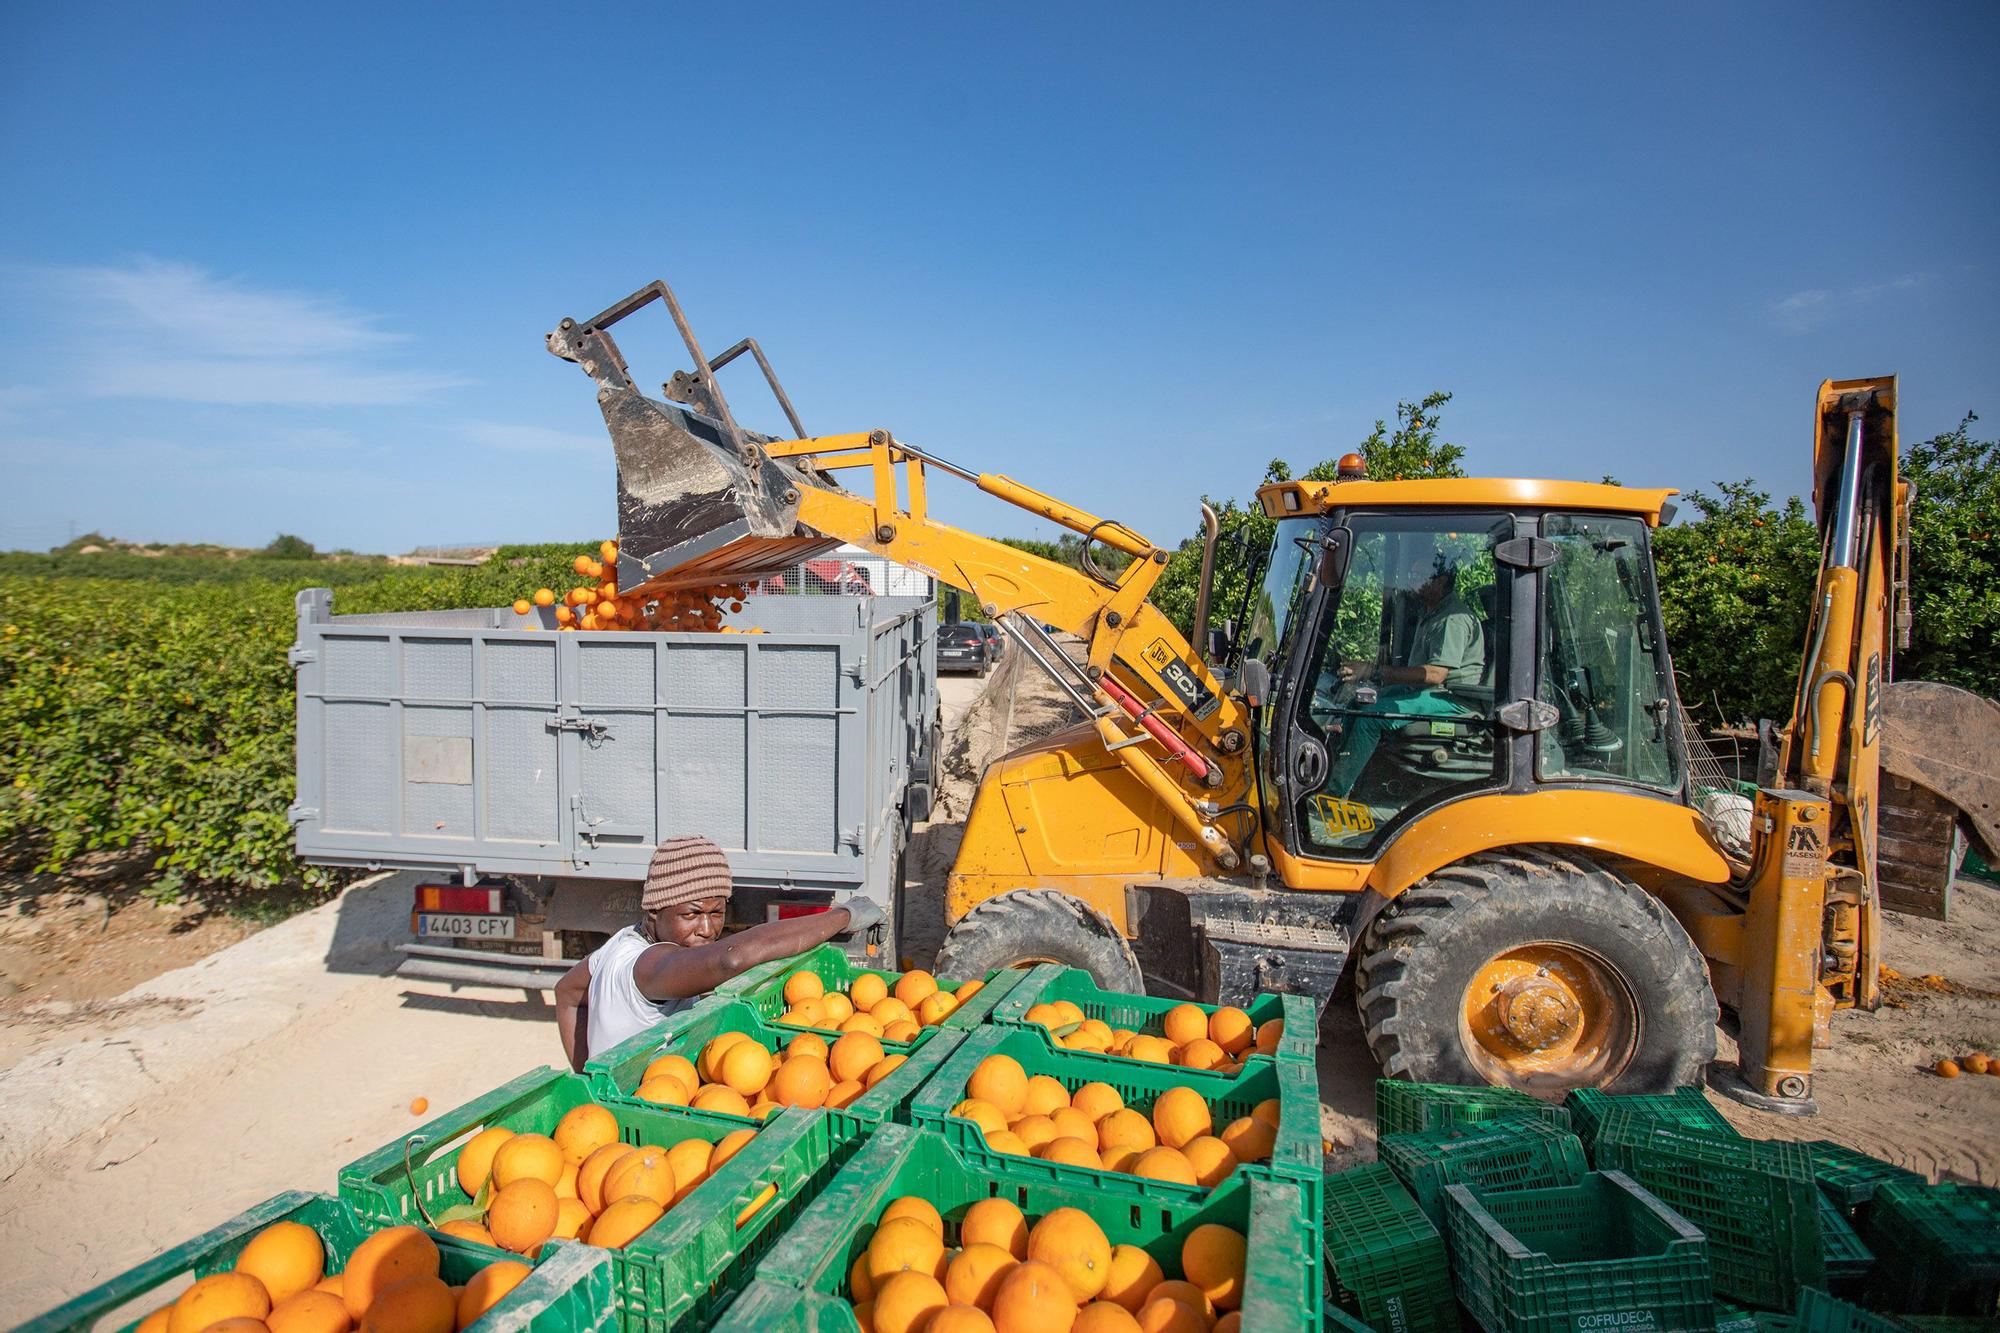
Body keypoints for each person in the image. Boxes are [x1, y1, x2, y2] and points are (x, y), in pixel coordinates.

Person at [553, 834, 884, 1072]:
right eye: (691, 914)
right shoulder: (647, 964)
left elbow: (566, 991)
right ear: (654, 910)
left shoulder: (623, 943)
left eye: (717, 913)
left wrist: (588, 1077)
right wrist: (843, 916)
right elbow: (731, 958)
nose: (707, 929)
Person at [1323, 554, 1486, 797]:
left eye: (1421, 576)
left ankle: (1334, 794)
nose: (1413, 580)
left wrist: (1374, 670)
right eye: (1412, 574)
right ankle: (1345, 779)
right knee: (1358, 702)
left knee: (1370, 718)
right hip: (1430, 694)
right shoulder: (1432, 612)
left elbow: (1436, 674)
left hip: (1453, 700)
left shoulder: (1453, 619)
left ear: (1441, 581)